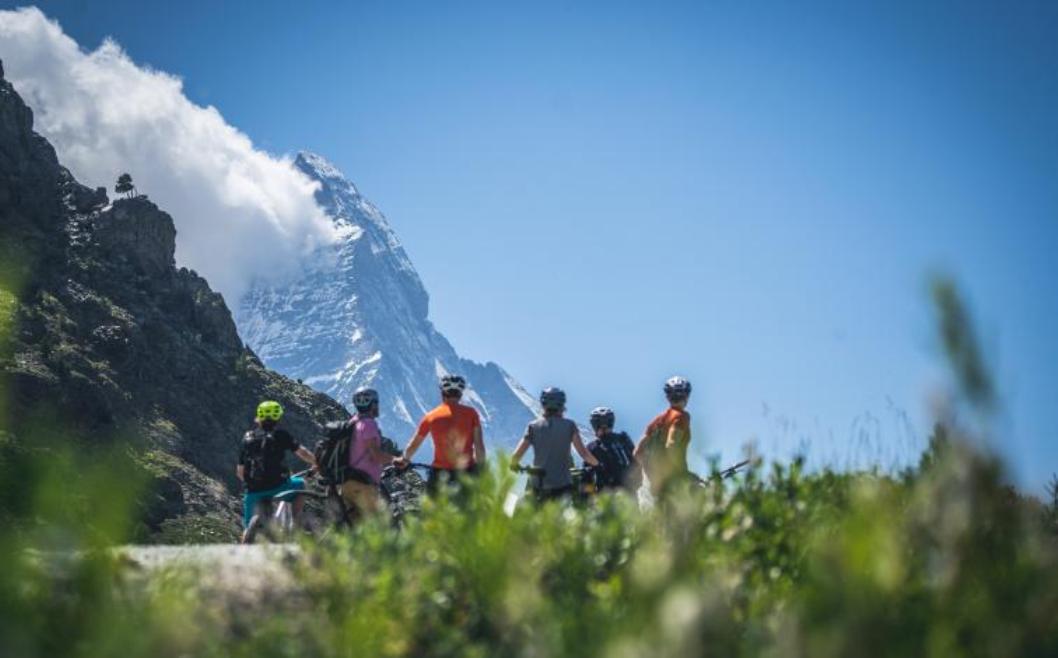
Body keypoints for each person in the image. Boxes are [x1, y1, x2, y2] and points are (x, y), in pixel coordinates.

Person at [237, 400, 317, 542]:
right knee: (301, 484)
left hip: (253, 491)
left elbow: (240, 471)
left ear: (259, 416)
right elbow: (302, 453)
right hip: (279, 486)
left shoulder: (248, 438)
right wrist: (317, 463)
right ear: (278, 416)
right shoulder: (281, 435)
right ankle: (295, 522)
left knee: (247, 529)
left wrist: (253, 484)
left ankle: (244, 547)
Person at [396, 374, 486, 492]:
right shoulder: (472, 414)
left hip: (439, 475)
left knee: (431, 504)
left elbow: (414, 444)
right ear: (460, 394)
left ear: (442, 393)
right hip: (466, 472)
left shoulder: (431, 416)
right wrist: (481, 469)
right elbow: (479, 446)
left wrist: (404, 459)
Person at [510, 387, 600, 502]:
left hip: (539, 483)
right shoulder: (569, 425)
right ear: (562, 405)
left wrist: (514, 465)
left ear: (543, 404)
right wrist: (598, 465)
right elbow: (584, 454)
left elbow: (516, 456)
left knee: (524, 504)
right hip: (563, 485)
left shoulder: (533, 426)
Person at [335, 387, 391, 522]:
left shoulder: (351, 423)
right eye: (376, 403)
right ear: (373, 405)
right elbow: (376, 455)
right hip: (363, 485)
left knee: (355, 526)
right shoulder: (368, 424)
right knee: (377, 525)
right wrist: (397, 460)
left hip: (346, 483)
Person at [633, 376, 692, 497]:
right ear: (687, 396)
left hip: (657, 485)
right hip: (675, 481)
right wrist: (682, 473)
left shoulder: (657, 421)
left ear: (667, 397)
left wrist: (652, 474)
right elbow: (671, 445)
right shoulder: (681, 417)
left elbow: (637, 453)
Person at [585, 406, 640, 493]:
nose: (604, 428)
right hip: (626, 490)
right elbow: (636, 460)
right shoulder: (623, 439)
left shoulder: (592, 447)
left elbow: (587, 474)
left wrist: (588, 495)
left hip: (607, 493)